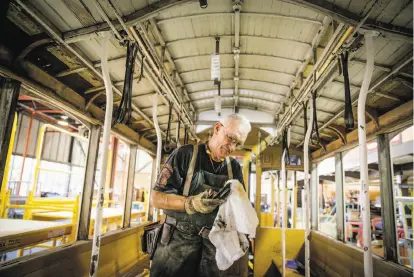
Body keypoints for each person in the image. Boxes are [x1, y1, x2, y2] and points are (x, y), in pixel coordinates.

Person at [150, 114, 252, 277]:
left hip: (213, 249)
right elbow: (156, 198)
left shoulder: (234, 168)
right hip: (177, 245)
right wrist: (190, 204)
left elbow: (239, 208)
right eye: (230, 138)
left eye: (237, 143)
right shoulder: (185, 155)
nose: (232, 147)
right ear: (217, 128)